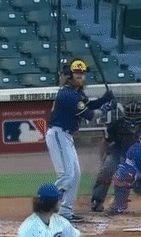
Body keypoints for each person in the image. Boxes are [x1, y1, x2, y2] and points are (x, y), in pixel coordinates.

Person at [46, 58, 115, 223]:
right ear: (69, 75)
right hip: (58, 134)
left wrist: (104, 99)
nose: (80, 76)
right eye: (76, 73)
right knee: (66, 175)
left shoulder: (77, 93)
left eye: (82, 73)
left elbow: (89, 105)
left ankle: (65, 212)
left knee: (75, 175)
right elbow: (90, 115)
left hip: (66, 136)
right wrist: (106, 108)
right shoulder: (68, 94)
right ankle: (45, 207)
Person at [90, 101, 141, 212]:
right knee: (106, 171)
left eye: (135, 114)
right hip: (118, 153)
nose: (133, 117)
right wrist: (103, 158)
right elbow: (106, 142)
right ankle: (97, 200)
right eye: (131, 114)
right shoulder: (115, 125)